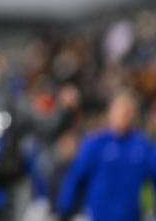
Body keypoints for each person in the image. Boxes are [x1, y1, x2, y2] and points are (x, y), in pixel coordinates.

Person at [56, 90, 156, 221]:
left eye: (129, 111)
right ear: (111, 112)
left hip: (131, 215)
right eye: (121, 110)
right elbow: (77, 177)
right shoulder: (96, 143)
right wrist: (65, 209)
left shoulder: (142, 146)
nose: (124, 115)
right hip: (99, 215)